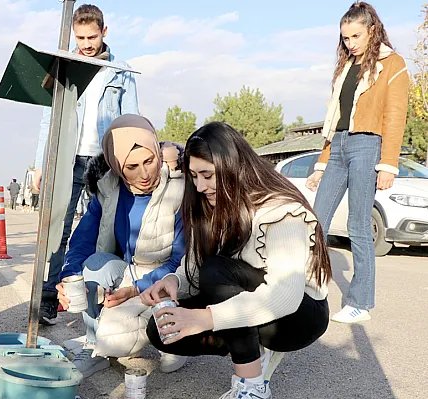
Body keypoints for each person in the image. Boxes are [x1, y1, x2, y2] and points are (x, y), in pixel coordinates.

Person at [141, 122, 331, 399]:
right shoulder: (214, 204)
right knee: (161, 329)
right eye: (194, 176)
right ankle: (248, 343)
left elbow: (284, 296)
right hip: (249, 299)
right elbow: (195, 266)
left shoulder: (280, 210)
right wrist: (173, 281)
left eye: (207, 175)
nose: (200, 186)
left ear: (233, 166)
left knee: (217, 271)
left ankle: (252, 386)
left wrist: (205, 318)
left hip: (299, 316)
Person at [55, 114, 188, 378]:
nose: (144, 173)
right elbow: (82, 241)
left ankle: (172, 333)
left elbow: (181, 261)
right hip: (129, 272)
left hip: (171, 278)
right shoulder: (107, 189)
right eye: (131, 167)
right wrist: (68, 277)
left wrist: (133, 290)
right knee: (94, 265)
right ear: (116, 166)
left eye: (149, 161)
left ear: (158, 154)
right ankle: (95, 345)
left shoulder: (180, 190)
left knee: (170, 361)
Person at [33, 3, 139, 325]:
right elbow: (49, 118)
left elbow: (130, 119)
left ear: (104, 32)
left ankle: (101, 302)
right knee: (57, 230)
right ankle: (50, 300)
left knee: (104, 232)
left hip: (105, 164)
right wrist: (41, 163)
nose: (86, 44)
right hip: (67, 159)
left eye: (92, 37)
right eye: (80, 37)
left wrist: (130, 163)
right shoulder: (65, 67)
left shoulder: (121, 72)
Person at [306, 1, 409, 323]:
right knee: (316, 220)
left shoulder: (393, 64)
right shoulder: (345, 68)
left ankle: (360, 303)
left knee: (358, 225)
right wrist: (321, 165)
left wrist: (388, 164)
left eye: (355, 36)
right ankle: (314, 283)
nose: (350, 43)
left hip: (367, 144)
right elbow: (333, 120)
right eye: (345, 38)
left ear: (372, 31)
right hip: (337, 145)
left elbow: (395, 115)